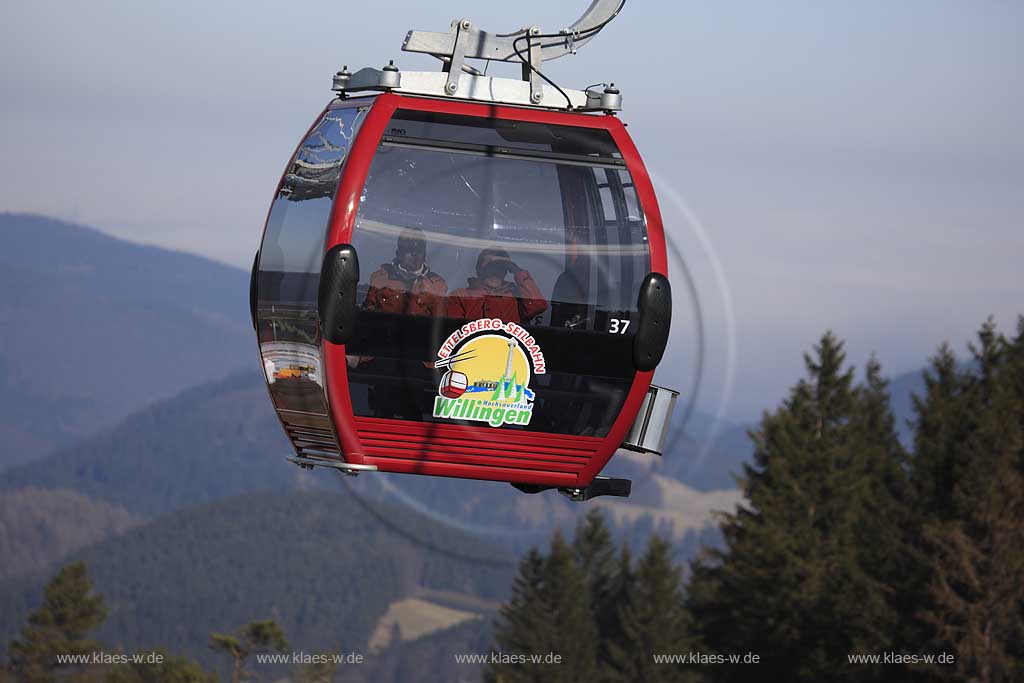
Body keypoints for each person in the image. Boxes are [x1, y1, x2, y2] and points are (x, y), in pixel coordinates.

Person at [446, 248, 547, 324]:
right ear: (479, 269)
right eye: (490, 266)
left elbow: (537, 306)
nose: (495, 271)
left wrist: (518, 271)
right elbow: (453, 330)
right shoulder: (460, 295)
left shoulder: (517, 296)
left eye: (501, 267)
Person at [363, 228, 447, 316]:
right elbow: (368, 315)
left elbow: (439, 324)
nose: (414, 254)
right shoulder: (379, 278)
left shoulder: (437, 285)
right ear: (398, 253)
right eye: (409, 249)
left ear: (425, 255)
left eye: (419, 250)